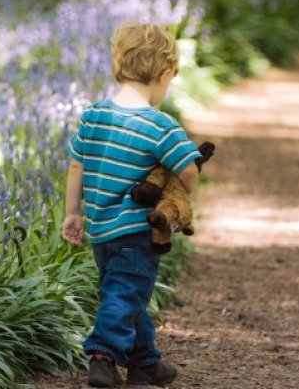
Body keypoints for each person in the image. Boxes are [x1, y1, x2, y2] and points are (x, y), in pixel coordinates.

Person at [62, 22, 201, 388]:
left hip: (102, 231)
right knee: (125, 295)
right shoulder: (160, 126)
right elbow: (187, 171)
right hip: (138, 231)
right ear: (163, 74)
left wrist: (72, 213)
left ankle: (144, 364)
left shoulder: (93, 116)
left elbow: (76, 165)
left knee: (127, 293)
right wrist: (176, 189)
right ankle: (103, 356)